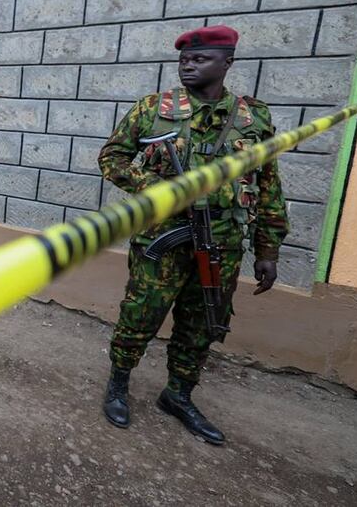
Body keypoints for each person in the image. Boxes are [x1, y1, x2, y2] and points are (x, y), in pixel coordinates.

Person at [97, 25, 289, 445]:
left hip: (222, 240)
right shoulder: (153, 108)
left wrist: (267, 248)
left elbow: (268, 182)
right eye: (184, 59)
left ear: (227, 62)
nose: (188, 64)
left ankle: (178, 393)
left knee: (202, 322)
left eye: (200, 59)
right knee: (141, 313)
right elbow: (112, 157)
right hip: (162, 236)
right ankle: (118, 383)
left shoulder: (252, 118)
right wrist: (158, 188)